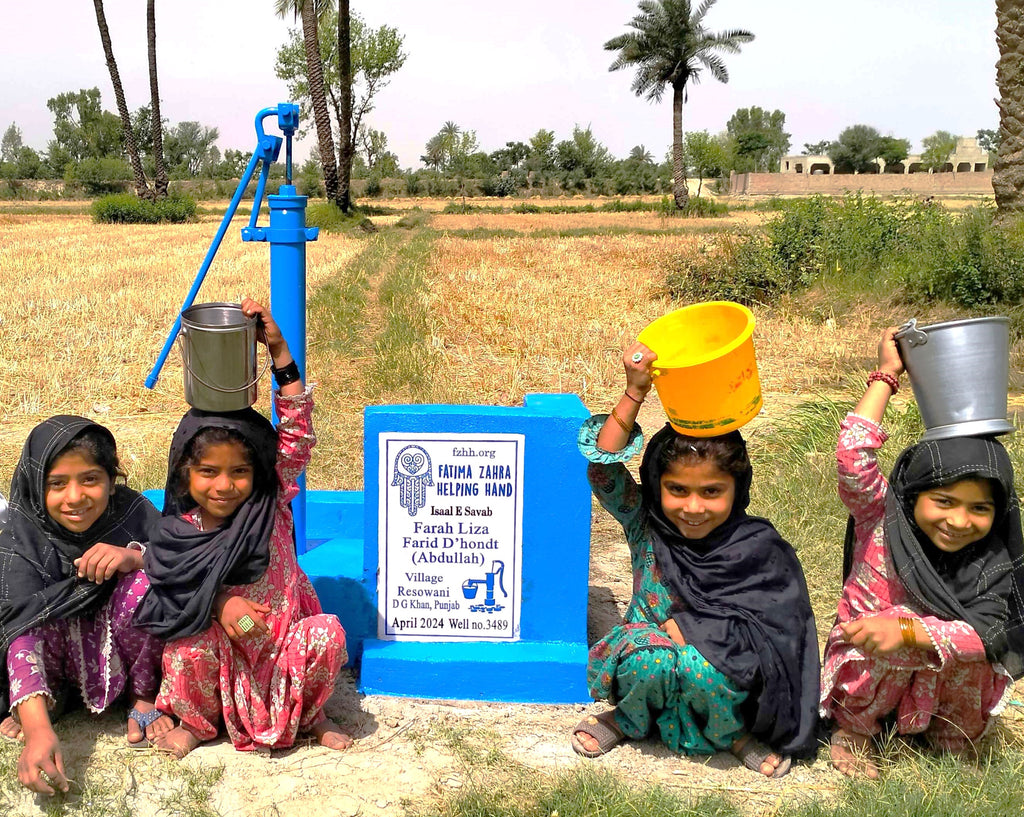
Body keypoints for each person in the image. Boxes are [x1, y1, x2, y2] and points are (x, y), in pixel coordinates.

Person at [570, 342, 820, 777]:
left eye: (711, 492)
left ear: (736, 489)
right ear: (657, 486)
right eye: (678, 490)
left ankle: (732, 735)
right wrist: (634, 392)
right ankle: (629, 719)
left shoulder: (756, 545)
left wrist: (697, 633)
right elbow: (603, 469)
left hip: (719, 663)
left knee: (703, 664)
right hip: (652, 647)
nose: (693, 507)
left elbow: (780, 629)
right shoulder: (646, 526)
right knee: (651, 662)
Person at [133, 298, 350, 758]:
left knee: (328, 633)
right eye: (208, 472)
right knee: (188, 648)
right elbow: (170, 589)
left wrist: (279, 351)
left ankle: (313, 717)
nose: (224, 486)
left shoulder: (270, 506)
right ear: (184, 474)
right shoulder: (179, 531)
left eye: (240, 472)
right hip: (225, 649)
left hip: (281, 644)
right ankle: (197, 722)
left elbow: (297, 435)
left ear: (260, 473)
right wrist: (218, 603)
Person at [822, 327, 1024, 778]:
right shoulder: (882, 518)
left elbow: (990, 633)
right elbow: (852, 457)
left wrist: (914, 633)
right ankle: (853, 732)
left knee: (977, 651)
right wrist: (886, 377)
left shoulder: (989, 558)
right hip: (869, 666)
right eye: (944, 502)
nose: (958, 521)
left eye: (980, 508)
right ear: (913, 495)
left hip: (935, 673)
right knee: (881, 630)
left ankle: (952, 739)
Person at [0, 416, 172, 795]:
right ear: (35, 487)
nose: (75, 497)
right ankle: (41, 712)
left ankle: (142, 695)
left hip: (126, 655)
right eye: (57, 484)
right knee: (31, 620)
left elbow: (182, 558)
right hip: (59, 660)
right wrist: (38, 733)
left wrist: (134, 557)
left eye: (90, 480)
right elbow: (18, 628)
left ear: (112, 482)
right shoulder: (21, 532)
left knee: (149, 584)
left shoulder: (132, 513)